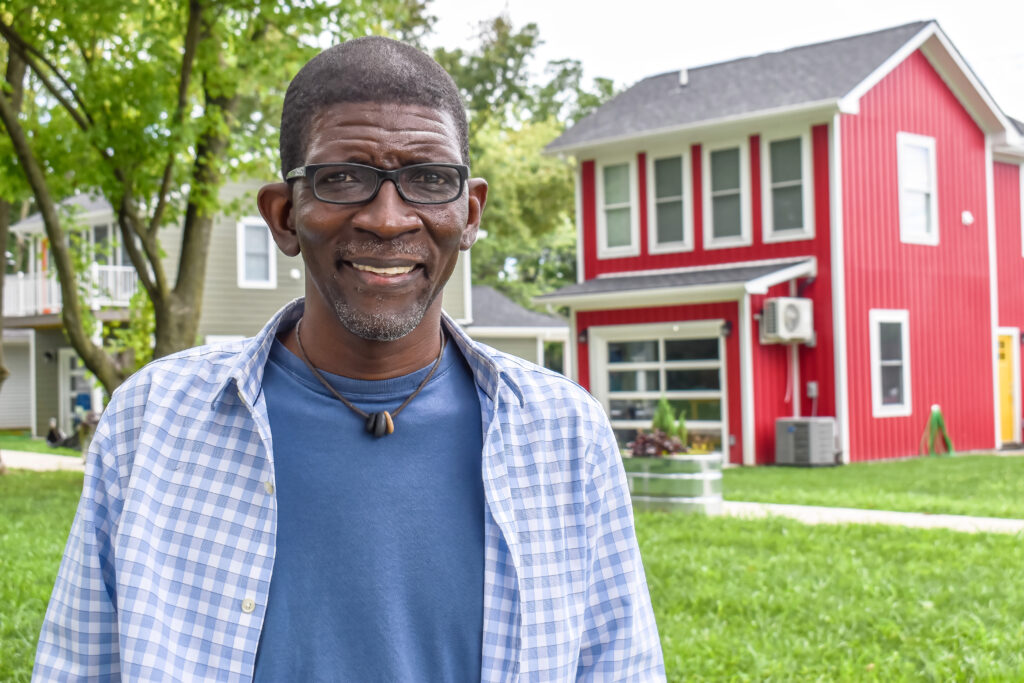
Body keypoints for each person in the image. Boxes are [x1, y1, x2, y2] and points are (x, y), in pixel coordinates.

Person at [34, 37, 665, 682]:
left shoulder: (564, 433)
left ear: (468, 213)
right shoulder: (153, 421)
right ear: (283, 217)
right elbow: (80, 666)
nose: (388, 220)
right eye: (342, 179)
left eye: (428, 180)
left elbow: (621, 669)